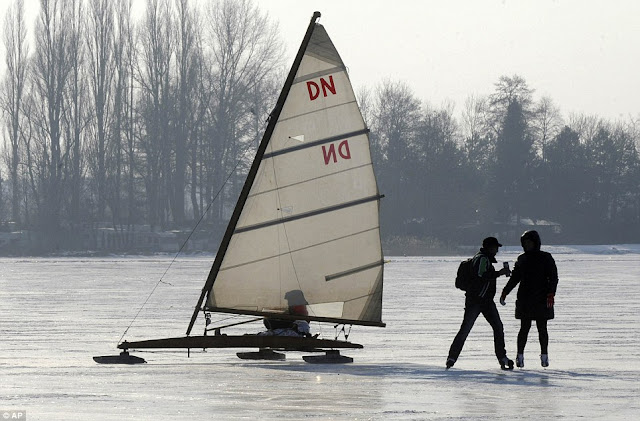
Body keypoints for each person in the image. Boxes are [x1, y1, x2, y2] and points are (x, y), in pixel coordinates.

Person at [446, 237, 514, 370]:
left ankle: (452, 358)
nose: (496, 250)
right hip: (478, 301)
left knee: (495, 327)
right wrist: (499, 273)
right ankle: (452, 358)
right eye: (495, 248)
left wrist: (497, 273)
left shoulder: (483, 258)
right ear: (489, 247)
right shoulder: (482, 258)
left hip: (483, 301)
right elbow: (481, 275)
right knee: (470, 329)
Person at [500, 230, 558, 368]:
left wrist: (551, 293)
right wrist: (505, 291)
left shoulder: (546, 257)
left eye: (529, 242)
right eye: (525, 243)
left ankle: (544, 355)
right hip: (525, 299)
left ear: (536, 243)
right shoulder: (522, 259)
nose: (527, 245)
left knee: (542, 328)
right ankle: (520, 356)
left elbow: (554, 277)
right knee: (524, 328)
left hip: (542, 298)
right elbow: (515, 278)